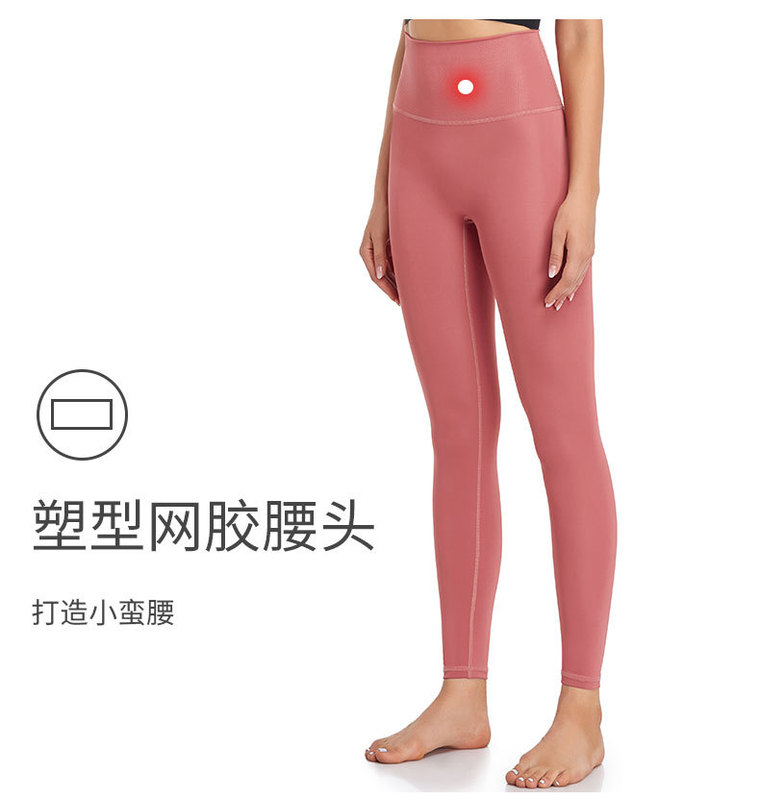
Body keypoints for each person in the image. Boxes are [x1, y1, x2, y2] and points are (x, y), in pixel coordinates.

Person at [359, 19, 616, 789]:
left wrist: (583, 194)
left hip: (519, 138)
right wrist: (381, 188)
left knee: (564, 433)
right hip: (417, 143)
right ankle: (461, 695)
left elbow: (581, 37)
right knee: (457, 432)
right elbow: (408, 30)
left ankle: (581, 711)